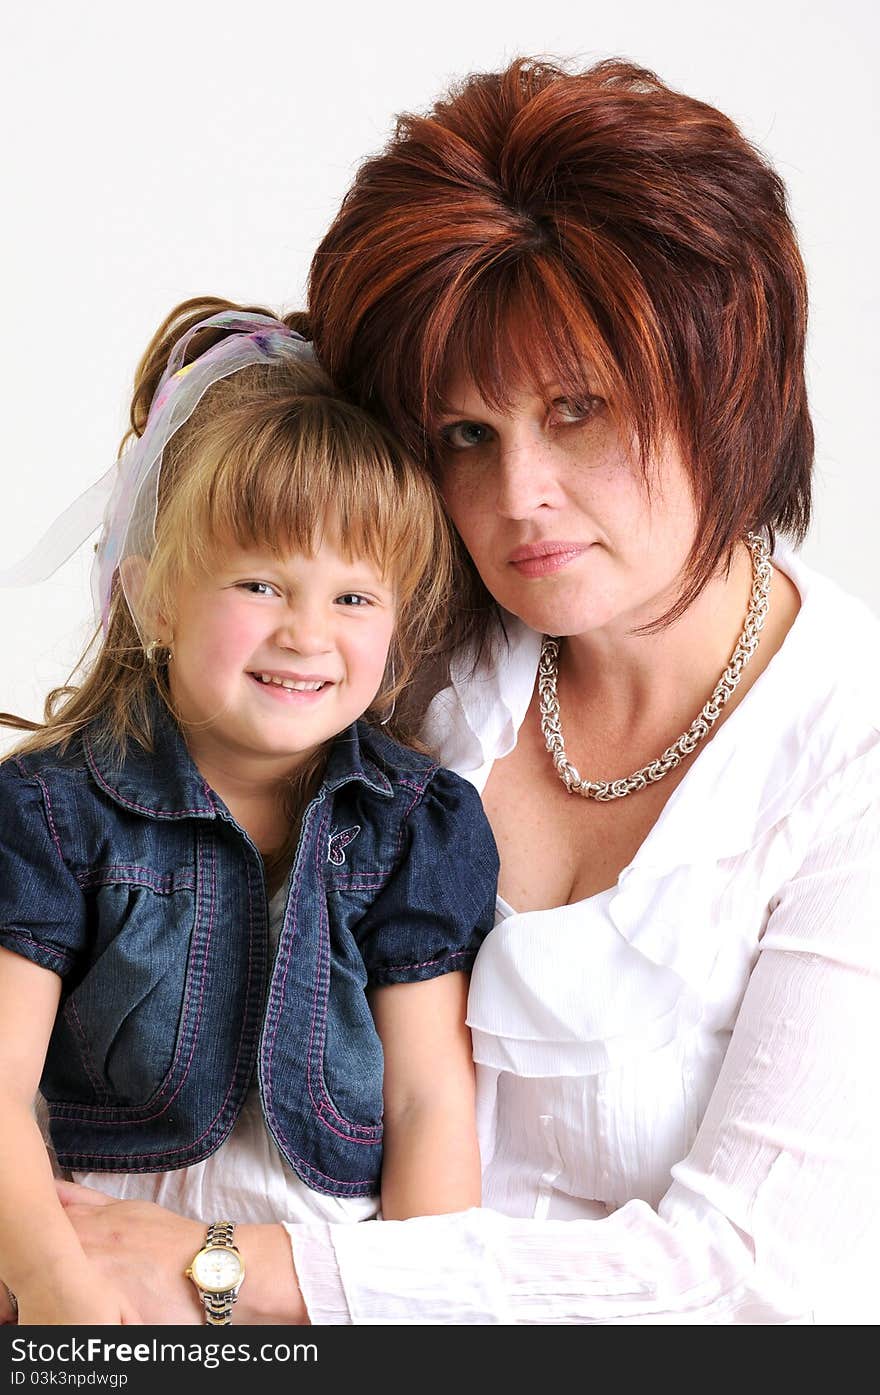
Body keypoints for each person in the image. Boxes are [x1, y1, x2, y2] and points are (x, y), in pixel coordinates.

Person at [16, 56, 880, 1325]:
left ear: (728, 382)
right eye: (465, 433)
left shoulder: (846, 753)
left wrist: (219, 1271)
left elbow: (752, 1277)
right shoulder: (400, 640)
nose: (518, 494)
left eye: (578, 410)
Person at [0, 300, 498, 1325]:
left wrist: (416, 1323)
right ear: (151, 599)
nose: (307, 633)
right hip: (85, 1260)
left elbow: (428, 1103)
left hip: (313, 1281)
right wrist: (58, 1291)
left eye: (354, 599)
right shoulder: (53, 811)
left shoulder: (415, 827)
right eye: (262, 583)